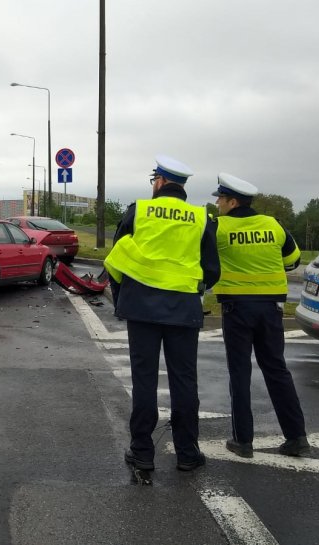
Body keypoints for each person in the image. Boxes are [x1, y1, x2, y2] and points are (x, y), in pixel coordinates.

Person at [105, 155, 220, 473]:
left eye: (153, 180)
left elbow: (118, 258)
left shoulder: (138, 211)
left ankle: (142, 451)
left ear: (160, 182)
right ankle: (186, 452)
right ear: (181, 186)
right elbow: (212, 270)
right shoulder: (201, 217)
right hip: (183, 311)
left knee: (144, 381)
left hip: (141, 309)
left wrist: (123, 297)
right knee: (184, 381)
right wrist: (190, 288)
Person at [212, 173, 309, 458]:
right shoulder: (273, 225)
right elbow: (293, 261)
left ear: (232, 201)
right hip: (271, 310)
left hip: (236, 309)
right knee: (277, 370)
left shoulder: (218, 228)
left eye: (220, 198)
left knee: (240, 373)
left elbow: (205, 260)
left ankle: (243, 441)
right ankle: (297, 437)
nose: (217, 203)